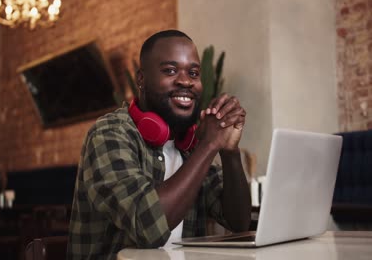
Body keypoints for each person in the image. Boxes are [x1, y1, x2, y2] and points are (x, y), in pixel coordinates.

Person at [67, 30, 251, 259]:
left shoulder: (189, 144)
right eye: (170, 70)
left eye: (193, 73)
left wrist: (229, 152)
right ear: (141, 79)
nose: (185, 81)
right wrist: (209, 145)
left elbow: (239, 221)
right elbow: (148, 227)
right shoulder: (110, 134)